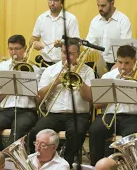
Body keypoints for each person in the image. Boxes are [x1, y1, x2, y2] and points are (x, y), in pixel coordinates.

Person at [28, 38, 94, 167]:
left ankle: (65, 163)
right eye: (64, 53)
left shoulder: (87, 71)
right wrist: (55, 82)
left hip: (78, 114)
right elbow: (39, 98)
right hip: (54, 114)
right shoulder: (50, 70)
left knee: (77, 132)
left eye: (71, 54)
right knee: (35, 132)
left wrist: (79, 80)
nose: (67, 57)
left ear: (78, 54)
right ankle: (36, 164)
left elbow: (90, 98)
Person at [89, 45, 137, 166]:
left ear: (134, 61)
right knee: (95, 130)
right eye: (120, 62)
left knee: (131, 137)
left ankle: (129, 167)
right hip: (109, 115)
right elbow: (97, 105)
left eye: (127, 63)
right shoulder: (108, 76)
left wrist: (136, 87)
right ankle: (96, 166)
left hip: (134, 117)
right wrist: (111, 94)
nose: (123, 67)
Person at [0, 35, 39, 151]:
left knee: (17, 131)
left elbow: (37, 97)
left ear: (25, 48)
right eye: (11, 49)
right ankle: (1, 154)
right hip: (3, 111)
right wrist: (9, 79)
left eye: (17, 49)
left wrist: (24, 77)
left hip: (26, 111)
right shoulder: (0, 68)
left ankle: (9, 160)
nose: (14, 52)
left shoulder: (34, 69)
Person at [29, 0, 80, 66]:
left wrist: (62, 44)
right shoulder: (41, 18)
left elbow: (76, 43)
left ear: (62, 1)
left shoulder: (70, 19)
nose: (52, 3)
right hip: (45, 63)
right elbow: (32, 40)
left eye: (56, 0)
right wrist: (34, 43)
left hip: (65, 63)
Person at [86, 0, 132, 71]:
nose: (100, 8)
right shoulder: (95, 21)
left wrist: (118, 64)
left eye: (103, 5)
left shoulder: (123, 20)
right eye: (98, 5)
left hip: (117, 64)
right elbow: (90, 45)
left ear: (112, 3)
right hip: (98, 63)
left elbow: (125, 47)